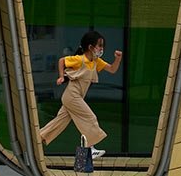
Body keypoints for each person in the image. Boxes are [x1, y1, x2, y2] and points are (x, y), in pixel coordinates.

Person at [39, 29, 122, 160]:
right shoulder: (80, 59)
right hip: (72, 96)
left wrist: (118, 59)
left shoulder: (95, 62)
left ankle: (37, 139)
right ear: (90, 47)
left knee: (60, 122)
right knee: (90, 117)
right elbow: (62, 61)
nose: (102, 49)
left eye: (102, 46)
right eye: (100, 45)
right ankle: (90, 148)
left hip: (73, 97)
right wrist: (61, 76)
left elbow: (112, 69)